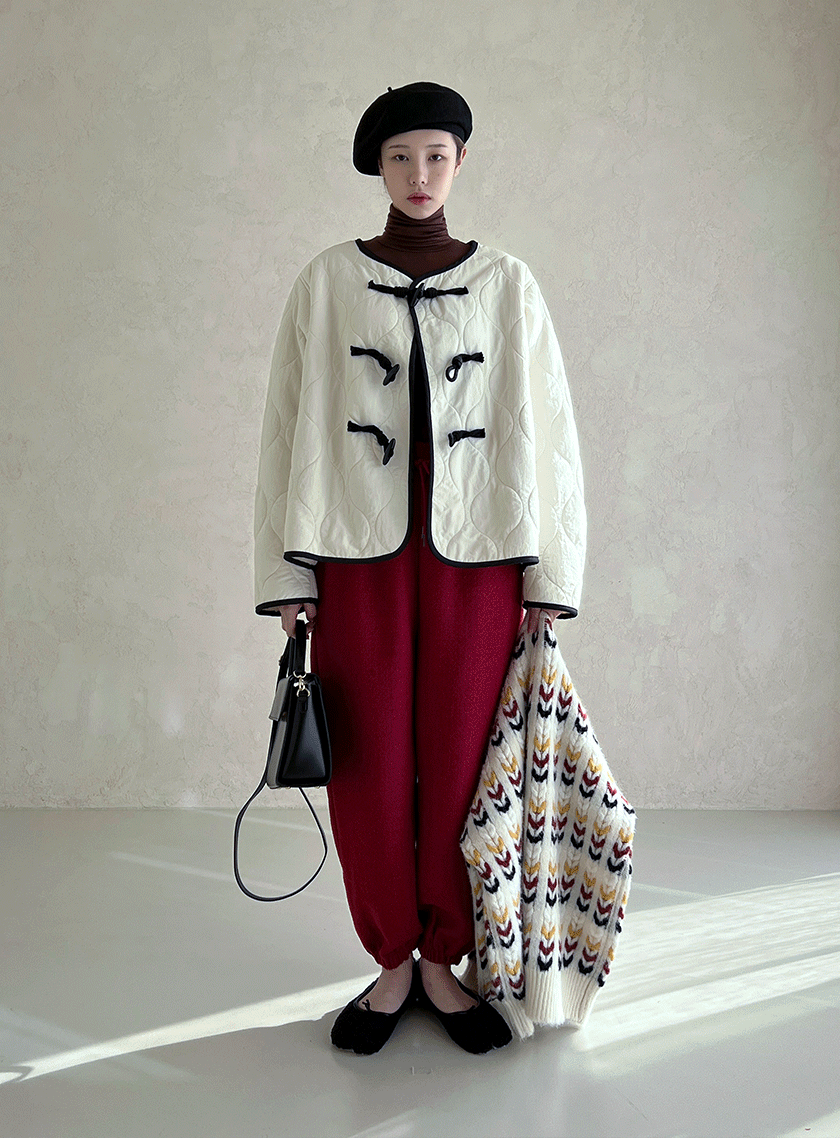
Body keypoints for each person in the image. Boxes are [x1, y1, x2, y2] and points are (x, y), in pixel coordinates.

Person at [253, 82, 586, 1055]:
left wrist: (548, 579)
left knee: (460, 761)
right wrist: (289, 575)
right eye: (400, 157)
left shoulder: (508, 283)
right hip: (354, 555)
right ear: (378, 167)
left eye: (436, 155)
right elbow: (283, 429)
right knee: (366, 766)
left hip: (478, 557)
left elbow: (553, 436)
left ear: (461, 161)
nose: (419, 174)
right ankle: (390, 960)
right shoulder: (327, 281)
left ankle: (444, 962)